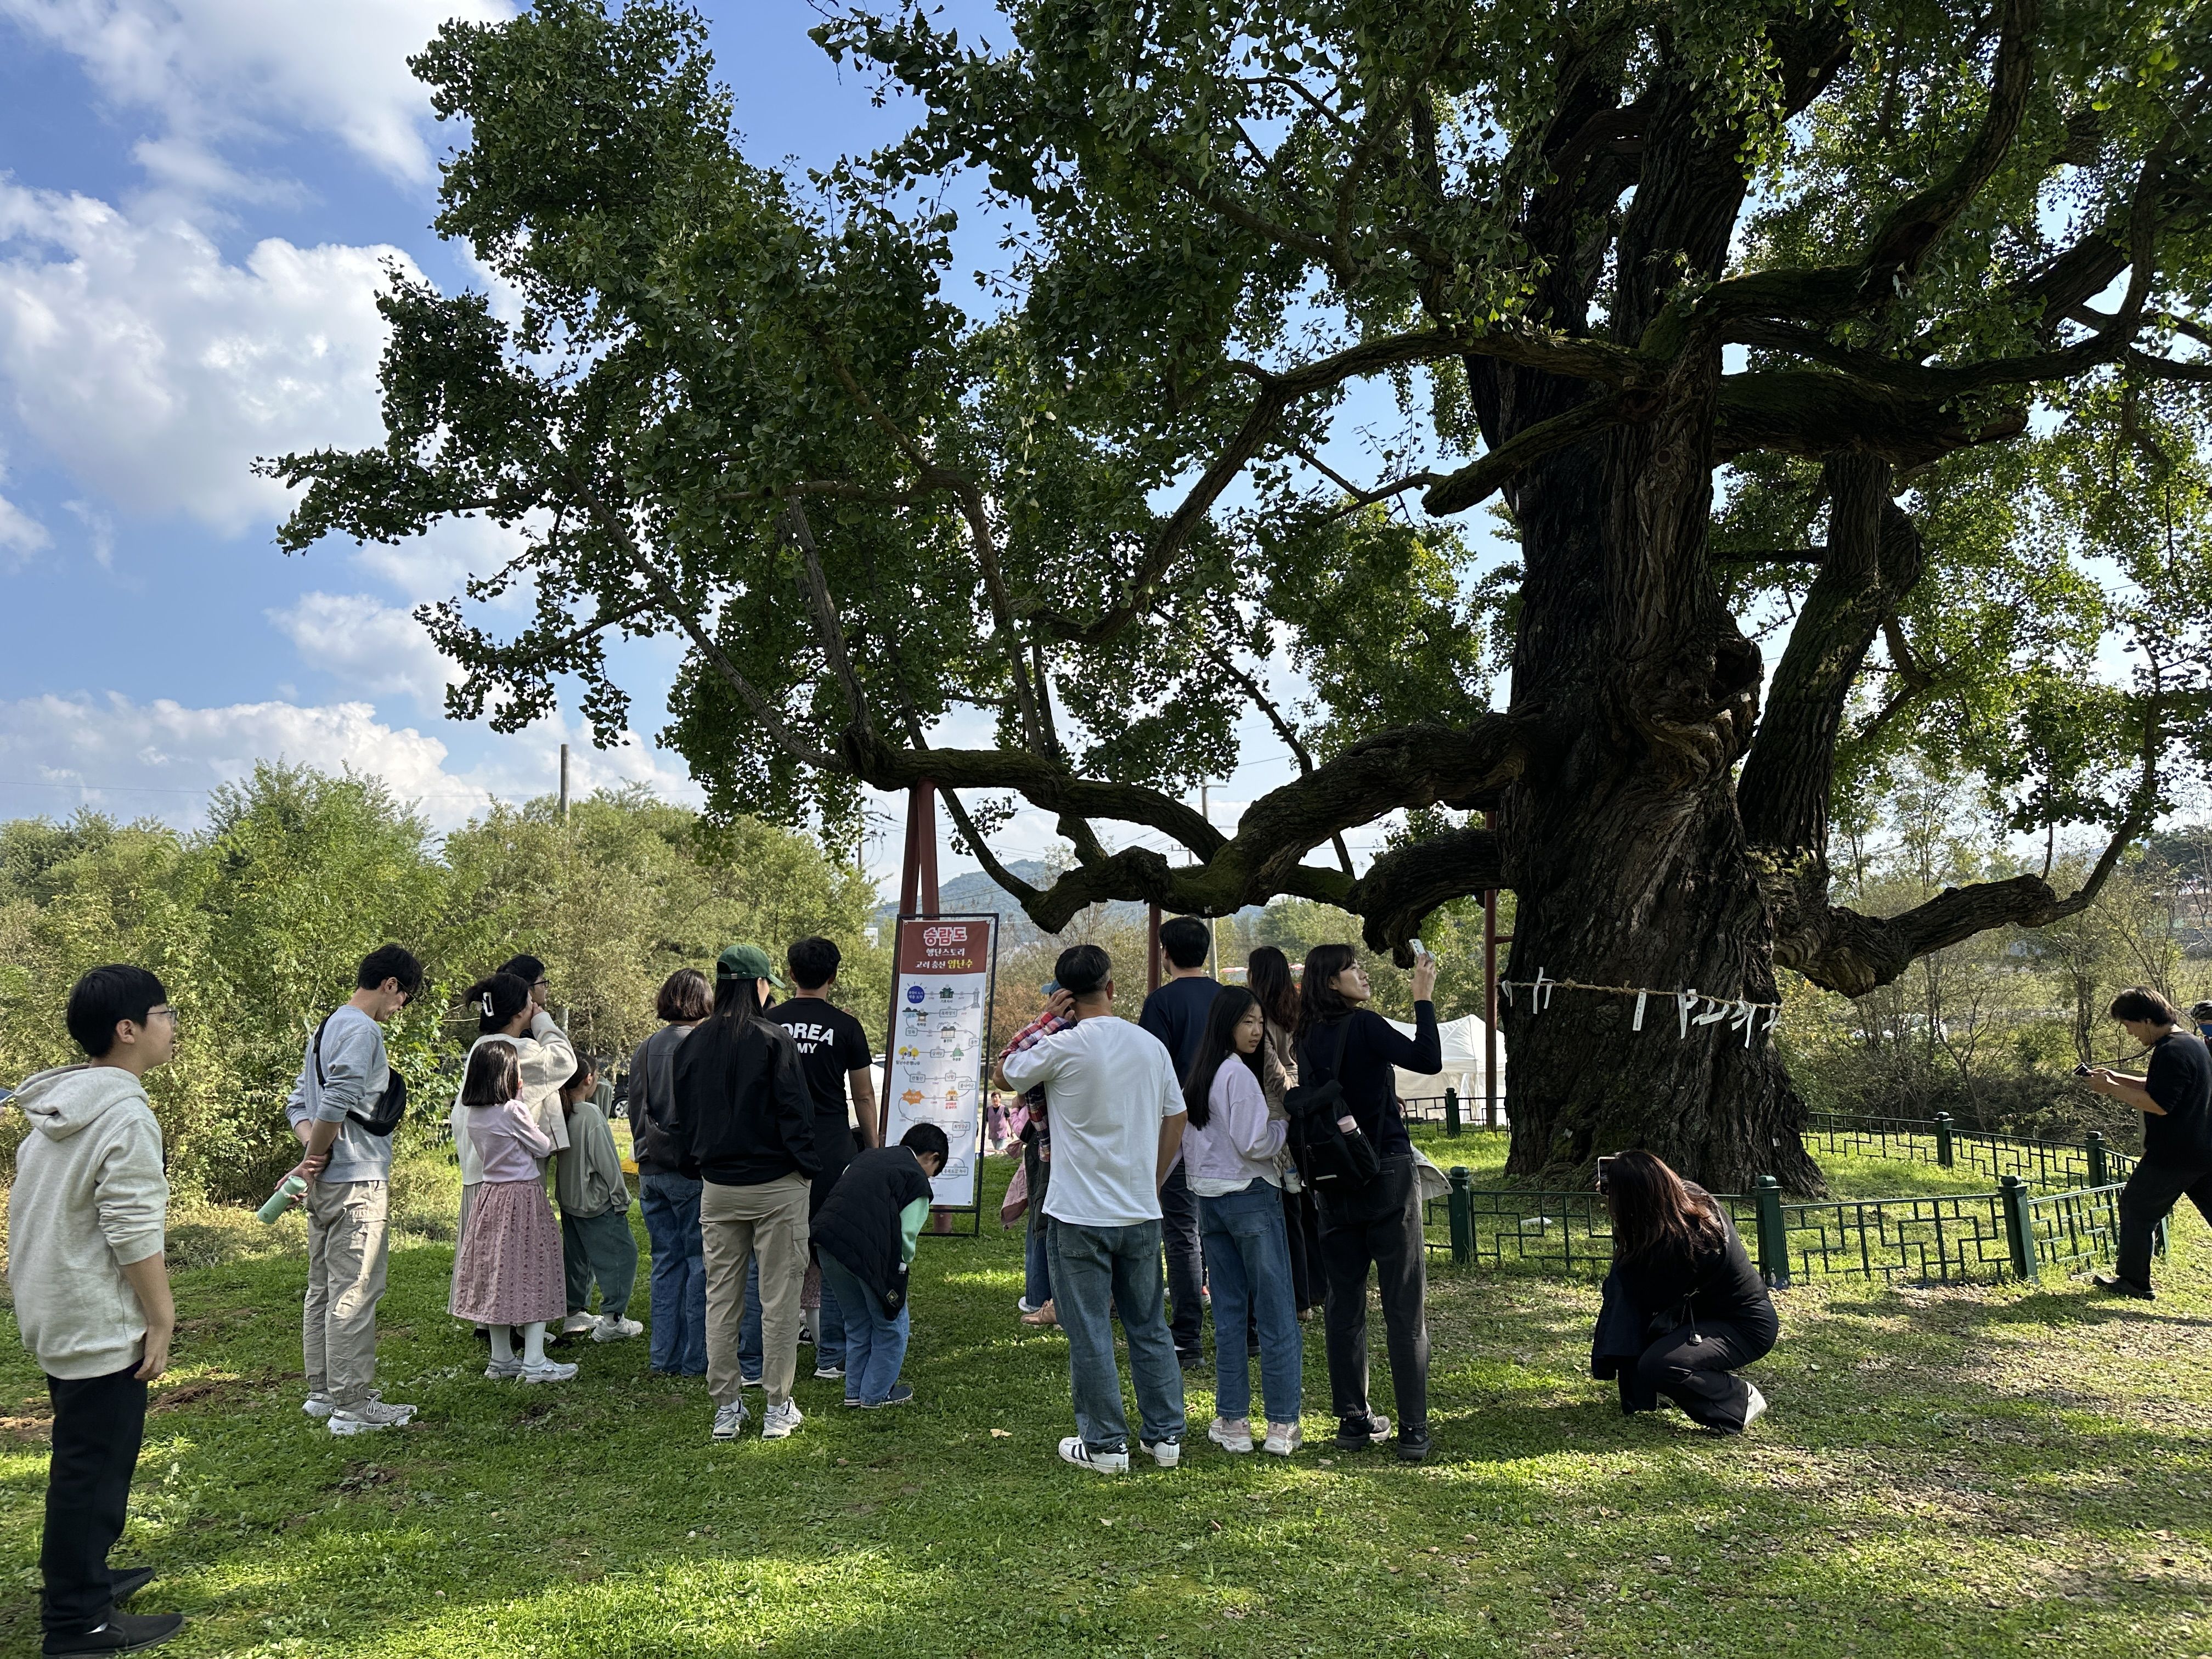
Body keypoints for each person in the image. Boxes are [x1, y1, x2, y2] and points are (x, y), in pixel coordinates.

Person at [9, 966, 184, 1656]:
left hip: (59, 1311)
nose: (173, 1028)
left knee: (84, 1459)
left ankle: (84, 1578)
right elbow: (133, 1230)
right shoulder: (123, 1113)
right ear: (128, 1029)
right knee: (94, 1469)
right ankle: (78, 1621)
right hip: (95, 1321)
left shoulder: (61, 1106)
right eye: (164, 1014)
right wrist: (161, 1319)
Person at [998, 944, 1188, 1476]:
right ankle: (1165, 1436)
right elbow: (1177, 1115)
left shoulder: (1062, 1047)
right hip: (1139, 1208)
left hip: (1077, 1212)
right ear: (1111, 988)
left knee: (1089, 1331)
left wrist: (1046, 1021)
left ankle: (1105, 1445)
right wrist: (1154, 1177)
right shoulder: (1150, 1046)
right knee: (1148, 1325)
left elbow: (1005, 1073)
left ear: (1064, 995)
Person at [1294, 942, 1441, 1463]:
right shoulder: (1365, 1025)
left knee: (1344, 1303)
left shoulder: (1305, 1036)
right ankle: (1413, 1429)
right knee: (1404, 1305)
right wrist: (1423, 999)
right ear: (1332, 982)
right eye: (1352, 968)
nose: (1363, 975)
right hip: (1384, 1171)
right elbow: (1427, 1058)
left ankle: (1353, 1421)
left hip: (1332, 1180)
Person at [668, 943, 820, 1443]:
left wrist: (702, 1166)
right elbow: (796, 1116)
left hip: (718, 1188)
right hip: (777, 1187)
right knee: (779, 1301)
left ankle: (727, 1408)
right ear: (759, 986)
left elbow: (680, 1120)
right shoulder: (774, 1039)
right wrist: (806, 1169)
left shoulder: (691, 1043)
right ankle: (778, 1407)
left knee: (722, 1300)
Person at [284, 943, 423, 1436]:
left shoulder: (326, 1027)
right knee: (356, 1289)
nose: (400, 1007)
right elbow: (339, 1097)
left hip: (326, 1182)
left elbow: (299, 1102)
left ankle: (322, 1391)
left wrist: (312, 1155)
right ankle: (353, 1404)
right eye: (403, 996)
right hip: (358, 1180)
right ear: (390, 985)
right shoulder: (363, 1030)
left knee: (322, 1287)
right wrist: (314, 1157)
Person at [1182, 986, 1303, 1457]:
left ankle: (1233, 1420)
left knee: (1231, 1314)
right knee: (1275, 1312)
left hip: (1208, 1201)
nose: (1257, 1031)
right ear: (1227, 1023)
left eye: (1260, 1022)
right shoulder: (1239, 1076)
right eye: (1248, 1022)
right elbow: (1255, 1142)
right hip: (1251, 1196)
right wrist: (1284, 1125)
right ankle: (1282, 1424)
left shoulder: (1200, 1074)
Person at [765, 935, 881, 1384]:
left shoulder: (769, 1023)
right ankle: (832, 1354)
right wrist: (871, 1150)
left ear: (790, 974)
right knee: (831, 1252)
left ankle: (774, 1349)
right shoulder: (847, 1027)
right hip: (833, 1148)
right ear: (834, 975)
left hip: (778, 1148)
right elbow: (864, 1095)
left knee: (777, 1252)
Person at [1589, 1150, 1775, 1432]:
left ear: (1634, 1202)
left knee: (1660, 1365)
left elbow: (1643, 1294)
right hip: (1699, 1313)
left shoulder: (1686, 1240)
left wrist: (1622, 1221)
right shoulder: (1687, 1197)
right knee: (1624, 1301)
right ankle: (1652, 1392)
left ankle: (1740, 1399)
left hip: (1744, 1325)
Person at [449, 969, 577, 1311]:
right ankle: (515, 1319)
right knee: (511, 1255)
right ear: (521, 1010)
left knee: (485, 1253)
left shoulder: (482, 1045)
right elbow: (564, 1061)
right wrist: (545, 1021)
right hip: (505, 1176)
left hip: (479, 1165)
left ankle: (488, 1321)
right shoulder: (513, 1049)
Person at [449, 1043, 575, 1383]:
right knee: (535, 1271)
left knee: (496, 1274)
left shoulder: (472, 1112)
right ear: (506, 1074)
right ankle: (534, 1361)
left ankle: (501, 1358)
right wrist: (520, 1103)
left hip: (490, 1196)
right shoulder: (512, 1111)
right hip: (522, 1196)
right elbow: (542, 1146)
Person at [2086, 986, 2212, 1299]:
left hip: (2174, 1154)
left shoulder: (2170, 1050)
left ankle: (2133, 1281)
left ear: (2145, 1019)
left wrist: (2110, 1089)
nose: (2129, 1033)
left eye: (2128, 1025)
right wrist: (2116, 1077)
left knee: (2137, 1208)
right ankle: (2133, 1279)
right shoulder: (2192, 1044)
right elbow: (2164, 1084)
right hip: (2204, 1150)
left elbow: (2160, 1103)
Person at [814, 1124, 950, 1409]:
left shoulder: (866, 1157)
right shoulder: (915, 1180)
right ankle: (877, 1394)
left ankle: (855, 1392)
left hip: (826, 1242)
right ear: (933, 1158)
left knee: (856, 1321)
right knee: (891, 1324)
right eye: (934, 1172)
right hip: (869, 1253)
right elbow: (906, 1237)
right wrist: (898, 1275)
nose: (930, 1178)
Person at [1139, 915, 1220, 1369]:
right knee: (1228, 1229)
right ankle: (1245, 1331)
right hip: (1232, 1131)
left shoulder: (1161, 1004)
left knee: (1182, 1232)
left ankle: (1187, 1337)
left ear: (1165, 953)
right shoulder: (1230, 999)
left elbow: (1154, 1072)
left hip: (1180, 1129)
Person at [628, 968, 712, 1375]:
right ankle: (695, 1359)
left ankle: (663, 1357)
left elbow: (635, 1109)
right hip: (690, 1172)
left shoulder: (645, 1047)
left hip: (650, 1169)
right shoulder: (704, 1045)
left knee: (665, 1263)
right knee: (699, 1263)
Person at [1248, 945, 1321, 1321]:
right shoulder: (1300, 1009)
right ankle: (1316, 1287)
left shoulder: (1256, 1013)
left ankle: (1299, 1299)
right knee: (1308, 1205)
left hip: (1278, 1115)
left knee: (1288, 1207)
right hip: (1306, 1110)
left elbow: (1272, 1070)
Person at [1000, 983, 1073, 1328]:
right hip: (1096, 1157)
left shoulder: (1052, 1044)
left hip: (1051, 1153)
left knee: (1049, 1226)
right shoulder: (1121, 1041)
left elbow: (1003, 1070)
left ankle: (1052, 1300)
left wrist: (1045, 1020)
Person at [556, 1055, 642, 1342]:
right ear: (589, 1079)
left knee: (578, 1258)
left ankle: (575, 1312)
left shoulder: (559, 1111)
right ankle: (613, 1319)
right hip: (595, 1202)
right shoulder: (591, 1116)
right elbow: (607, 1164)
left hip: (569, 1200)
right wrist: (621, 1197)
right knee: (623, 1255)